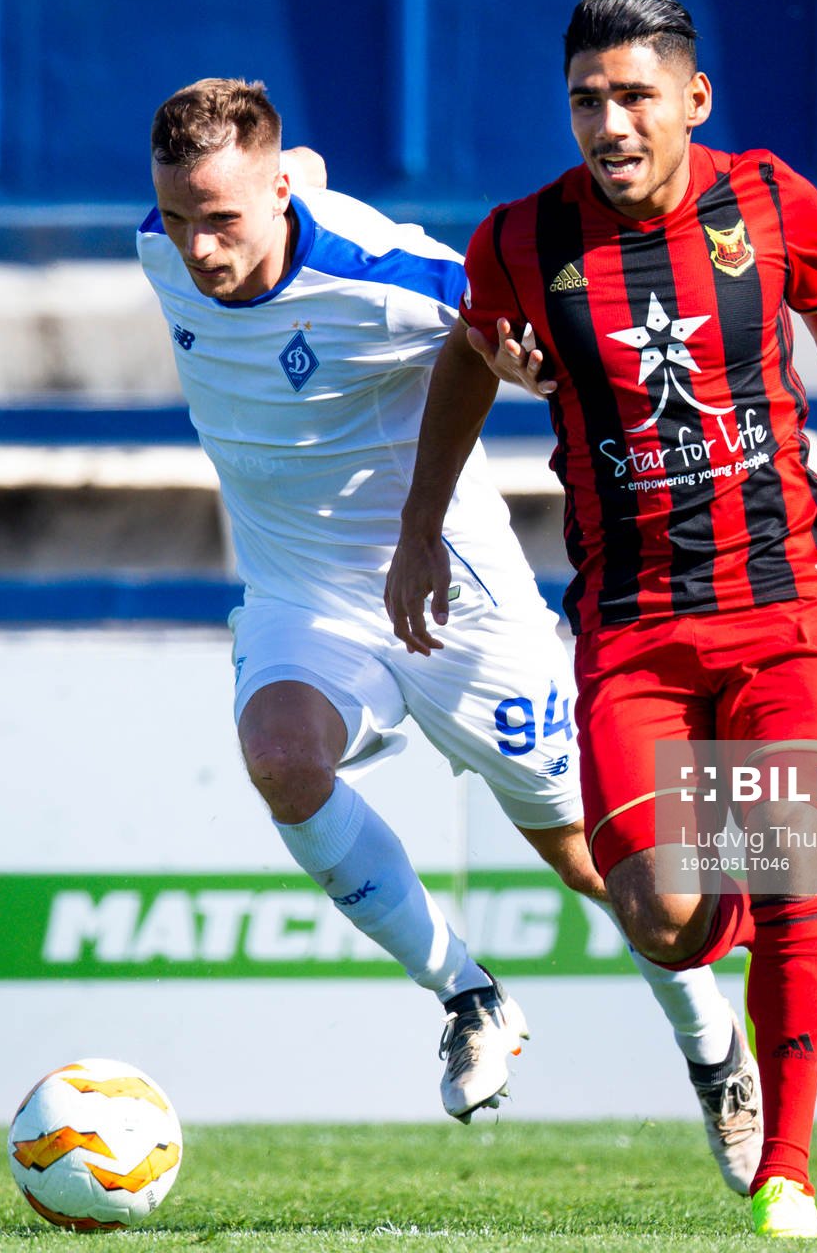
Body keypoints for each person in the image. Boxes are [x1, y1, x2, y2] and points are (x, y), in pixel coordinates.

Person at [385, 0, 817, 1238]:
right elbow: (469, 359)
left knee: (786, 832)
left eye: (634, 95)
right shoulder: (521, 241)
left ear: (694, 99)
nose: (610, 121)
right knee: (664, 919)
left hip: (789, 598)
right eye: (587, 98)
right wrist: (420, 527)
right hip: (634, 627)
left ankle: (787, 1173)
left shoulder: (770, 204)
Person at [137, 78, 762, 1187]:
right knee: (282, 757)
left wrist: (528, 357)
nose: (196, 246)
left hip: (454, 596)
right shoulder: (167, 240)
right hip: (300, 600)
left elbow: (498, 311)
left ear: (274, 191)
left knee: (596, 860)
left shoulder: (384, 278)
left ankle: (712, 1046)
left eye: (221, 219)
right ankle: (469, 993)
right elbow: (296, 175)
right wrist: (247, 199)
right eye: (179, 217)